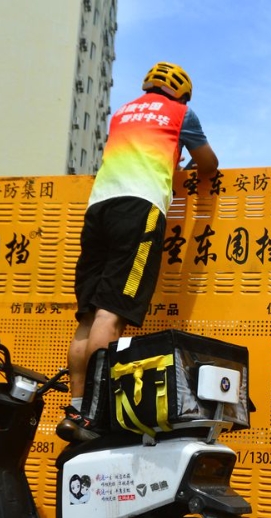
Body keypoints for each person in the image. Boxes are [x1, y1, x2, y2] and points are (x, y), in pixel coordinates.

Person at [58, 61, 218, 443]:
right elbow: (208, 164)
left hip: (98, 209)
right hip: (139, 207)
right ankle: (95, 416)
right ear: (181, 92)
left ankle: (77, 409)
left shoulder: (122, 113)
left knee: (87, 318)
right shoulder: (181, 113)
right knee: (111, 314)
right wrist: (185, 161)